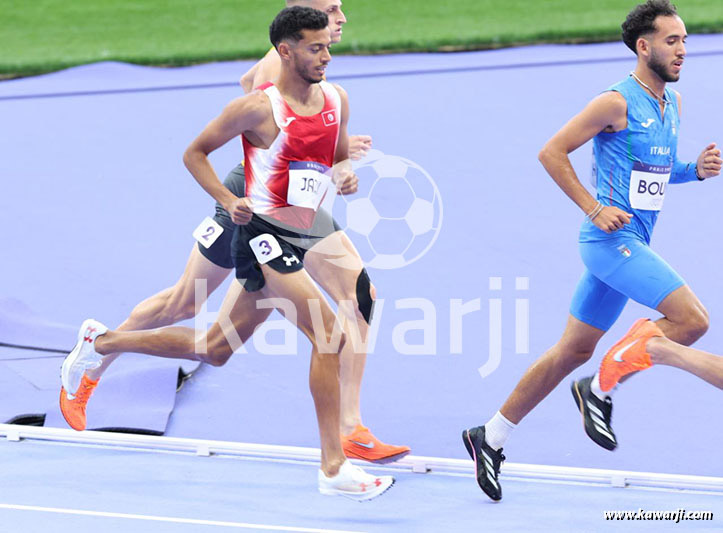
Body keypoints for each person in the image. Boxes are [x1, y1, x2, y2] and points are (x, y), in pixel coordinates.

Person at [60, 7, 395, 501]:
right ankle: (334, 464)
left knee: (215, 349)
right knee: (326, 334)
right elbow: (194, 152)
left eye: (328, 46)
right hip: (261, 233)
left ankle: (103, 343)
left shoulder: (336, 98)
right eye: (317, 45)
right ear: (287, 50)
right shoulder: (259, 105)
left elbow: (334, 156)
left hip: (304, 227)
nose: (328, 53)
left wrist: (344, 172)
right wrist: (227, 199)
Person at [462, 0, 722, 502]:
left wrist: (697, 169)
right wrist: (591, 208)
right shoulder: (615, 102)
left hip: (633, 243)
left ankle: (489, 436)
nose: (683, 50)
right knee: (691, 320)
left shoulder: (673, 104)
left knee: (573, 350)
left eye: (685, 40)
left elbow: (654, 174)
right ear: (644, 46)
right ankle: (601, 387)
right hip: (609, 243)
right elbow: (551, 151)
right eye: (673, 41)